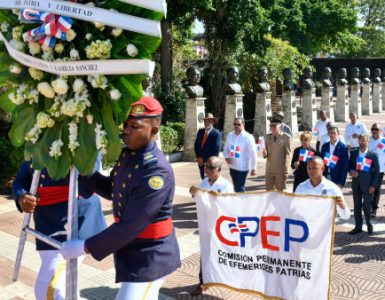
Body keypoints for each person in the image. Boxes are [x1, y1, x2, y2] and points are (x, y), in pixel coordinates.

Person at [60, 96, 181, 299]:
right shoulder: (129, 155)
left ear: (154, 129)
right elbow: (114, 190)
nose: (126, 130)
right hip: (132, 251)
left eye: (134, 126)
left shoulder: (156, 171)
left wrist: (84, 247)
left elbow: (129, 226)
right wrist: (84, 171)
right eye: (126, 125)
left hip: (151, 255)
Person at [12, 154, 106, 300]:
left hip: (75, 223)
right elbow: (22, 177)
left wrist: (74, 154)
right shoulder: (37, 139)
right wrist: (21, 196)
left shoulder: (84, 136)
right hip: (45, 224)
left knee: (49, 290)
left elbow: (88, 182)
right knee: (62, 288)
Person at [189, 156, 234, 296]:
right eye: (206, 166)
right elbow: (198, 199)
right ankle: (202, 283)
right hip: (205, 225)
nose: (206, 169)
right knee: (205, 253)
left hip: (220, 226)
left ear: (219, 170)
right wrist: (194, 192)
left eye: (210, 167)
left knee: (221, 253)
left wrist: (219, 198)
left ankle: (226, 279)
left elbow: (231, 205)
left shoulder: (226, 185)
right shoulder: (204, 183)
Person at [349, 134, 380, 234]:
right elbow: (349, 166)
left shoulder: (373, 154)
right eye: (361, 141)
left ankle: (369, 223)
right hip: (356, 185)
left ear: (368, 142)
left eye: (364, 141)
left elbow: (377, 172)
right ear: (358, 141)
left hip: (368, 186)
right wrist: (351, 172)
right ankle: (358, 226)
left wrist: (373, 186)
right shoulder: (353, 153)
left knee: (367, 207)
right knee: (357, 206)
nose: (362, 143)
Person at [224, 117, 257, 192]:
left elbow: (253, 153)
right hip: (232, 167)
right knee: (236, 187)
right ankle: (237, 201)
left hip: (243, 168)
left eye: (238, 124)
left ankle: (242, 202)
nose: (236, 126)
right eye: (235, 124)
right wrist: (226, 157)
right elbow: (225, 148)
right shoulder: (230, 135)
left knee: (240, 187)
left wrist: (254, 168)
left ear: (243, 125)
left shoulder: (248, 137)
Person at [263, 117, 291, 191]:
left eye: (274, 126)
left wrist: (286, 171)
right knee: (268, 193)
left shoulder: (286, 138)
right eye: (271, 126)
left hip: (280, 170)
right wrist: (264, 153)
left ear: (280, 126)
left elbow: (288, 155)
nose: (272, 128)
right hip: (269, 169)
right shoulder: (267, 137)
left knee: (280, 193)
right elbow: (265, 154)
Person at [194, 113, 222, 179]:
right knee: (203, 178)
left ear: (212, 122)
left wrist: (204, 159)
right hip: (200, 162)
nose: (207, 122)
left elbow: (216, 149)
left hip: (210, 163)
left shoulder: (216, 133)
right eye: (205, 121)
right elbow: (196, 145)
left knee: (210, 179)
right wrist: (198, 157)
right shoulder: (200, 132)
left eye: (209, 121)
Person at [368, 123, 385, 217]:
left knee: (377, 188)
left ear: (380, 131)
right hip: (369, 167)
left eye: (376, 129)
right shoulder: (368, 140)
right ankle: (368, 205)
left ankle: (374, 209)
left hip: (380, 168)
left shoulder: (384, 141)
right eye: (373, 129)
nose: (374, 131)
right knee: (368, 186)